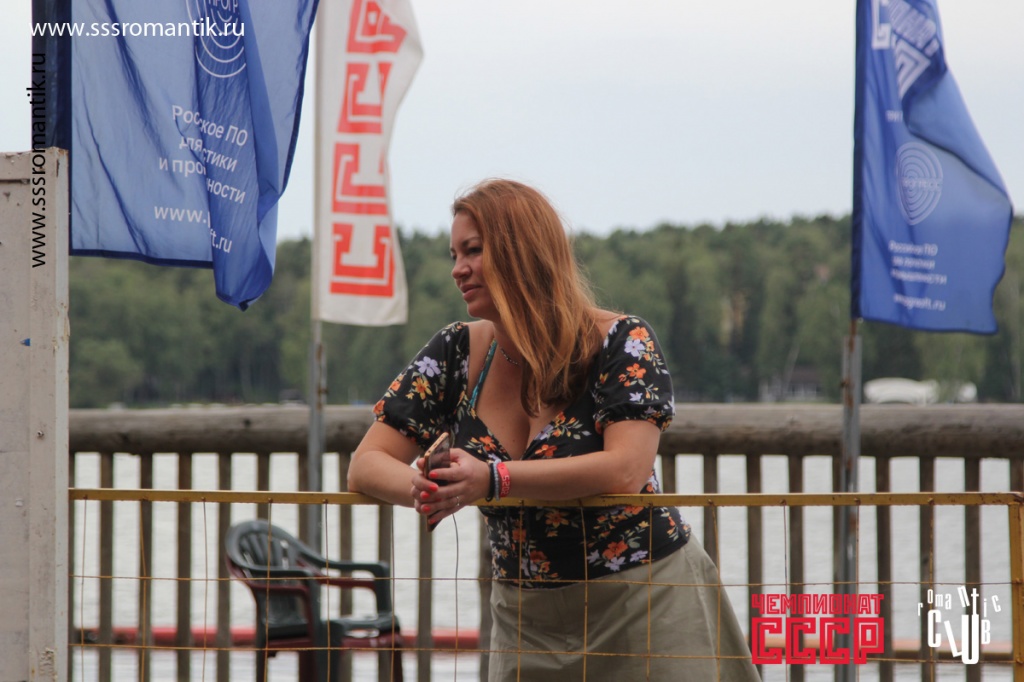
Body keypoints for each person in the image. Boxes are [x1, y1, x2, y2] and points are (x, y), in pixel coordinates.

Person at [349, 179, 759, 681]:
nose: (458, 269)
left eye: (473, 250)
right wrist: (432, 488)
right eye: (454, 254)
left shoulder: (622, 340)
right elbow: (365, 465)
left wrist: (493, 479)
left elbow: (626, 470)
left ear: (522, 249)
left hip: (646, 602)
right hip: (525, 618)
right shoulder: (455, 353)